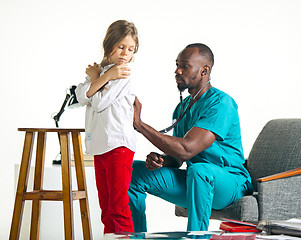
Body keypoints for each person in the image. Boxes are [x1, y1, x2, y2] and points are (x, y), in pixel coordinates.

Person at [129, 43, 253, 232]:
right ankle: (136, 236)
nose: (177, 70)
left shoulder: (221, 103)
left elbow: (187, 149)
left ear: (205, 70)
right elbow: (178, 157)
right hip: (196, 180)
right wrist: (163, 160)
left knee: (200, 171)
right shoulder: (182, 107)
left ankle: (196, 237)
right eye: (177, 64)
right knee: (133, 172)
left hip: (230, 183)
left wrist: (140, 125)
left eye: (185, 65)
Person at [75, 20, 139, 234]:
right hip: (100, 147)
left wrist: (102, 78)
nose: (125, 54)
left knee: (118, 208)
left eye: (130, 49)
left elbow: (100, 103)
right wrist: (101, 77)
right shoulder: (100, 72)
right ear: (109, 44)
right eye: (121, 47)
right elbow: (81, 95)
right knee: (106, 209)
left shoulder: (123, 75)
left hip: (118, 145)